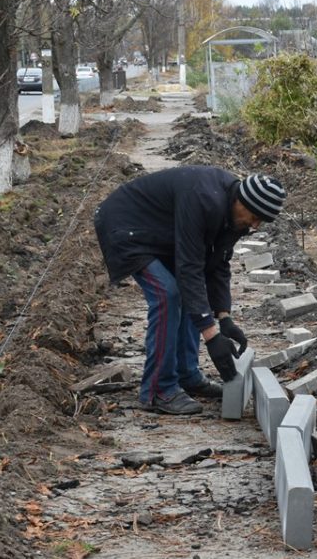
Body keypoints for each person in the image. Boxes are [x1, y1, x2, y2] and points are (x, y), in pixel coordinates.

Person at [94, 166, 286, 415]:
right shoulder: (203, 198)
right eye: (254, 215)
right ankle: (158, 391)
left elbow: (217, 264)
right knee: (168, 294)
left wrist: (223, 316)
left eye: (262, 220)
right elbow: (190, 267)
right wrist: (211, 337)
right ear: (241, 199)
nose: (255, 224)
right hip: (125, 226)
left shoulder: (235, 216)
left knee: (188, 293)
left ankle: (187, 375)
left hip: (160, 232)